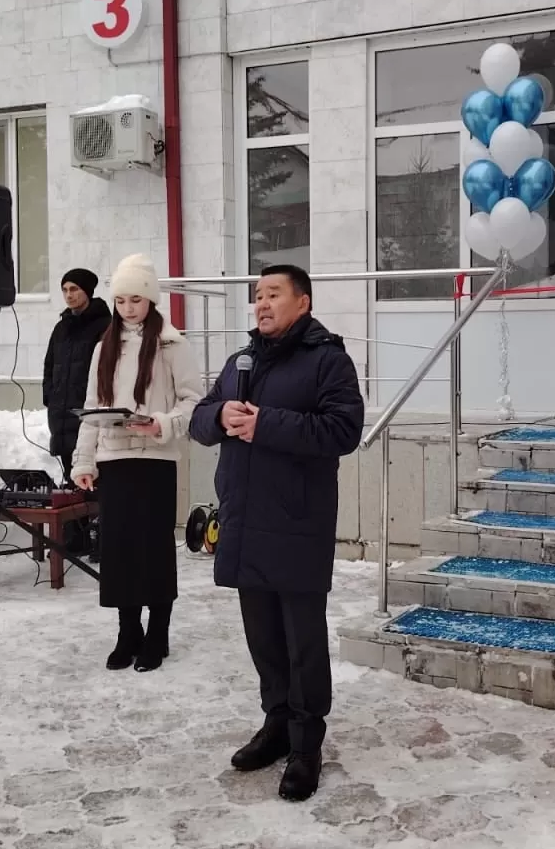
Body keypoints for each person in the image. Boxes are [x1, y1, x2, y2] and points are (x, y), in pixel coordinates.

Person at [189, 264, 364, 802]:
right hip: (246, 520)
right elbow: (199, 420)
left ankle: (307, 744)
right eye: (258, 295)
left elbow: (343, 430)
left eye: (273, 294)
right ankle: (277, 724)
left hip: (297, 523)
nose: (262, 304)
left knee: (302, 642)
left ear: (303, 302)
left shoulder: (327, 360)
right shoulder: (240, 361)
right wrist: (220, 415)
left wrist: (265, 424)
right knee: (263, 638)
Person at [72, 255, 203, 673]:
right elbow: (92, 406)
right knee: (119, 552)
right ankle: (128, 632)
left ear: (151, 300)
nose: (128, 308)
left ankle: (158, 634)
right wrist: (84, 461)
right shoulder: (103, 347)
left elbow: (193, 402)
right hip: (115, 461)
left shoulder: (172, 345)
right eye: (121, 300)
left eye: (136, 300)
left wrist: (161, 423)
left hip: (155, 460)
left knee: (154, 551)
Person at [43, 268, 110, 484]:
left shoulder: (105, 326)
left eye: (74, 289)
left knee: (95, 483)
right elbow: (49, 366)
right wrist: (50, 397)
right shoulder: (61, 328)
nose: (69, 295)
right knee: (72, 482)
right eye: (64, 290)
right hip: (62, 417)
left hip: (88, 415)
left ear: (87, 291)